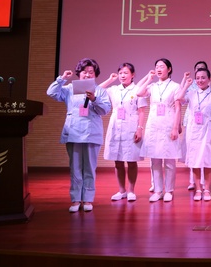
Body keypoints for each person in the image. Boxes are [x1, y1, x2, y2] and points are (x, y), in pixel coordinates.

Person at [47, 58, 112, 213]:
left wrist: (94, 99)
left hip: (91, 133)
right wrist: (62, 78)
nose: (87, 74)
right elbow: (51, 93)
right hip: (74, 132)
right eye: (84, 71)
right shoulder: (69, 88)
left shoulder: (100, 91)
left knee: (89, 167)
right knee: (75, 168)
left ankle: (88, 199)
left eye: (91, 72)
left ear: (95, 74)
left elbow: (105, 110)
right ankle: (76, 199)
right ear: (79, 73)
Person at [99, 63, 148, 202]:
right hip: (115, 125)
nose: (122, 75)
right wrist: (110, 79)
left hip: (131, 126)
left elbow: (141, 111)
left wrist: (140, 128)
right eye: (120, 73)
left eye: (126, 73)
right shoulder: (114, 89)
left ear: (133, 75)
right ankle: (121, 191)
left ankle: (131, 191)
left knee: (131, 160)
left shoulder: (138, 89)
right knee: (118, 161)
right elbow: (97, 90)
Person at [176, 67, 211, 202]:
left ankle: (207, 189)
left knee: (207, 160)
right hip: (193, 130)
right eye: (197, 78)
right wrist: (186, 84)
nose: (200, 80)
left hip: (208, 129)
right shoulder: (191, 93)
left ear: (209, 79)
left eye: (203, 77)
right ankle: (198, 189)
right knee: (195, 160)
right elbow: (179, 98)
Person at [137, 58, 181, 203]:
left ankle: (169, 190)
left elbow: (178, 108)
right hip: (154, 124)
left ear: (169, 69)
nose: (159, 69)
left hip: (168, 123)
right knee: (155, 160)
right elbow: (139, 92)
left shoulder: (175, 86)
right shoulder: (153, 86)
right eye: (157, 67)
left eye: (162, 66)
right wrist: (148, 78)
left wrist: (175, 127)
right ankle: (157, 191)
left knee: (169, 160)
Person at [182, 60, 210, 191]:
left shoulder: (208, 86)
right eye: (197, 68)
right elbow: (180, 98)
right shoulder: (191, 85)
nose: (199, 70)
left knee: (203, 153)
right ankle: (192, 181)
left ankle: (203, 181)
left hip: (205, 123)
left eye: (202, 68)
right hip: (191, 120)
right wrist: (185, 81)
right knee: (192, 151)